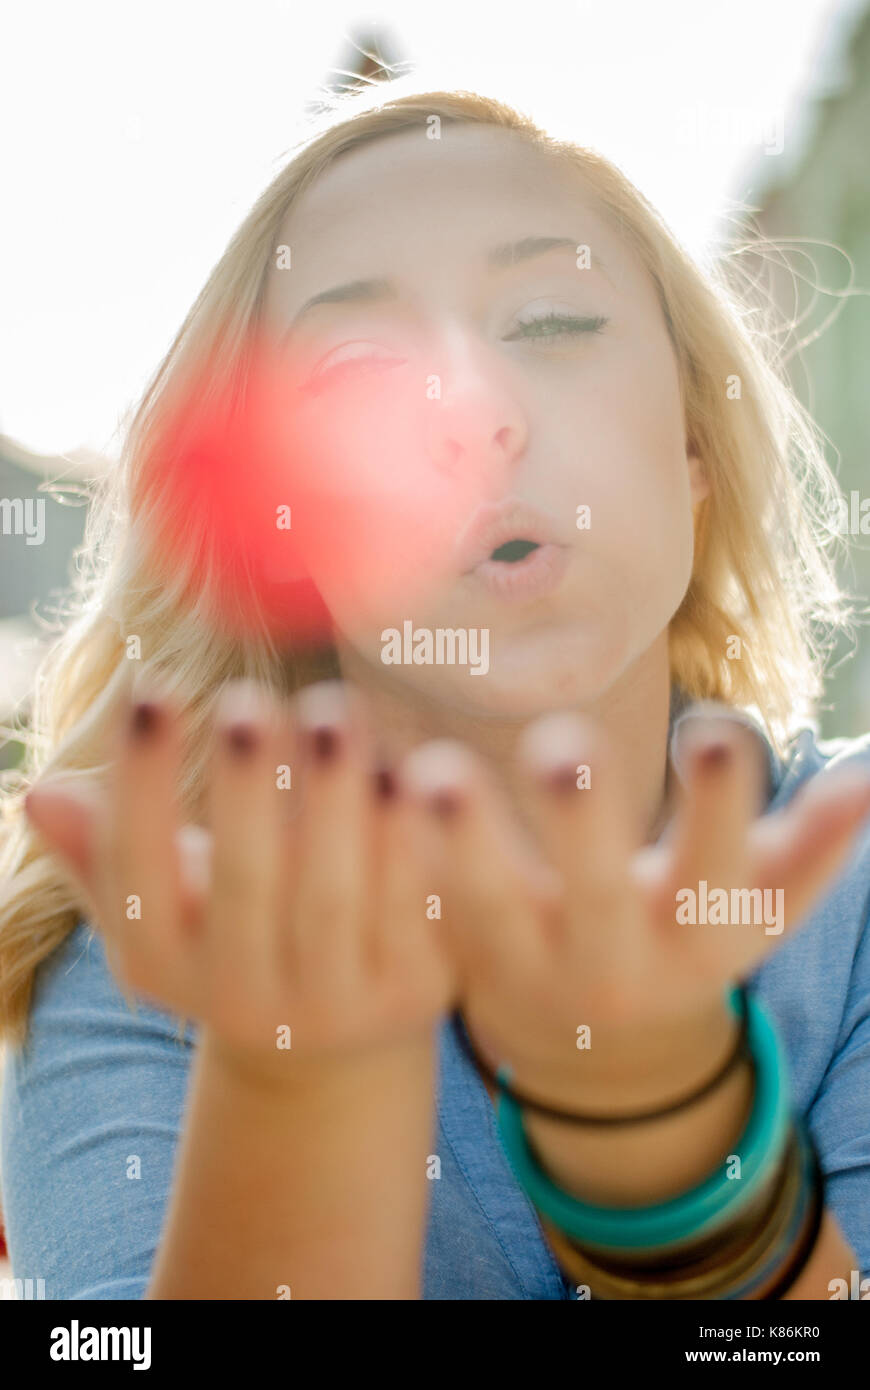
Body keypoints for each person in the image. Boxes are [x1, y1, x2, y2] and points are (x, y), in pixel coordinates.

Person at [2, 82, 870, 1301]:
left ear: (694, 457)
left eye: (556, 320)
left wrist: (669, 1141)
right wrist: (304, 1083)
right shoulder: (144, 952)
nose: (472, 417)